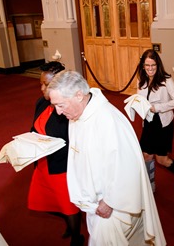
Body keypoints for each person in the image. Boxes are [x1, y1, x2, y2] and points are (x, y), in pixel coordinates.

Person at [48, 70, 166, 245]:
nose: (58, 112)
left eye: (61, 105)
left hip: (113, 206)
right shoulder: (77, 116)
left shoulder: (107, 120)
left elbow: (127, 165)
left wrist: (110, 201)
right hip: (94, 203)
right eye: (55, 105)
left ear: (79, 95)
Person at [27, 61, 83, 246]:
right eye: (41, 84)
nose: (42, 88)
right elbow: (34, 127)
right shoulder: (42, 102)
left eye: (47, 85)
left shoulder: (68, 108)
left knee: (68, 205)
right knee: (47, 202)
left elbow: (76, 141)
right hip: (43, 163)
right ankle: (68, 222)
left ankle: (76, 236)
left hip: (61, 165)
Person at [137, 49, 174, 192]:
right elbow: (140, 98)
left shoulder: (166, 79)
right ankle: (150, 185)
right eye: (147, 66)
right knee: (146, 155)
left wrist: (158, 107)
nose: (150, 69)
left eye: (153, 65)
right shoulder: (141, 80)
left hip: (163, 124)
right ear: (143, 66)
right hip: (148, 122)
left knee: (161, 159)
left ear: (158, 65)